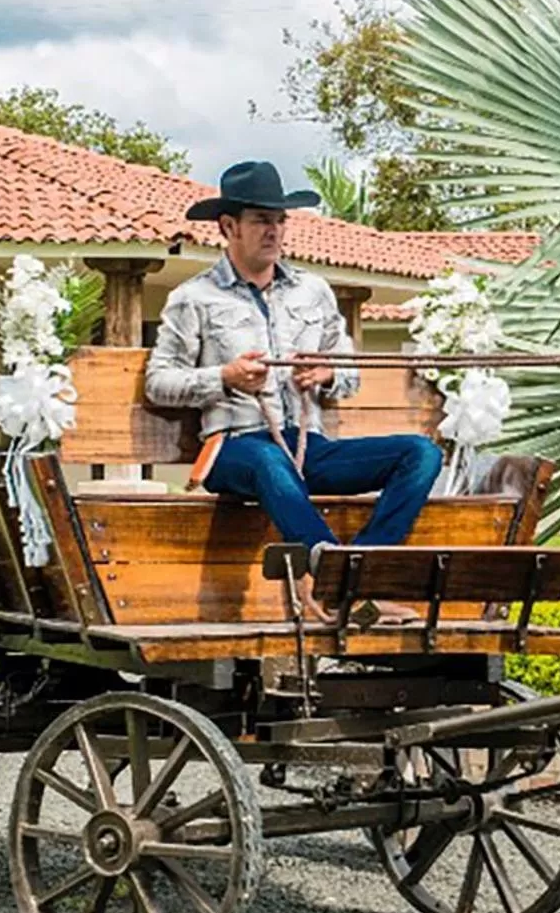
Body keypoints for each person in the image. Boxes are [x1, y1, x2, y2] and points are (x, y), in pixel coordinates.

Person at [146, 161, 443, 622]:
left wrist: (326, 374)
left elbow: (350, 372)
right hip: (234, 448)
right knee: (269, 460)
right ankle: (335, 579)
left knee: (421, 454)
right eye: (261, 219)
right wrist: (223, 377)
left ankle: (357, 578)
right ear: (228, 226)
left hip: (307, 449)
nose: (274, 230)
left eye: (280, 219)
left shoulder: (313, 291)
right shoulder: (193, 298)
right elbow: (158, 382)